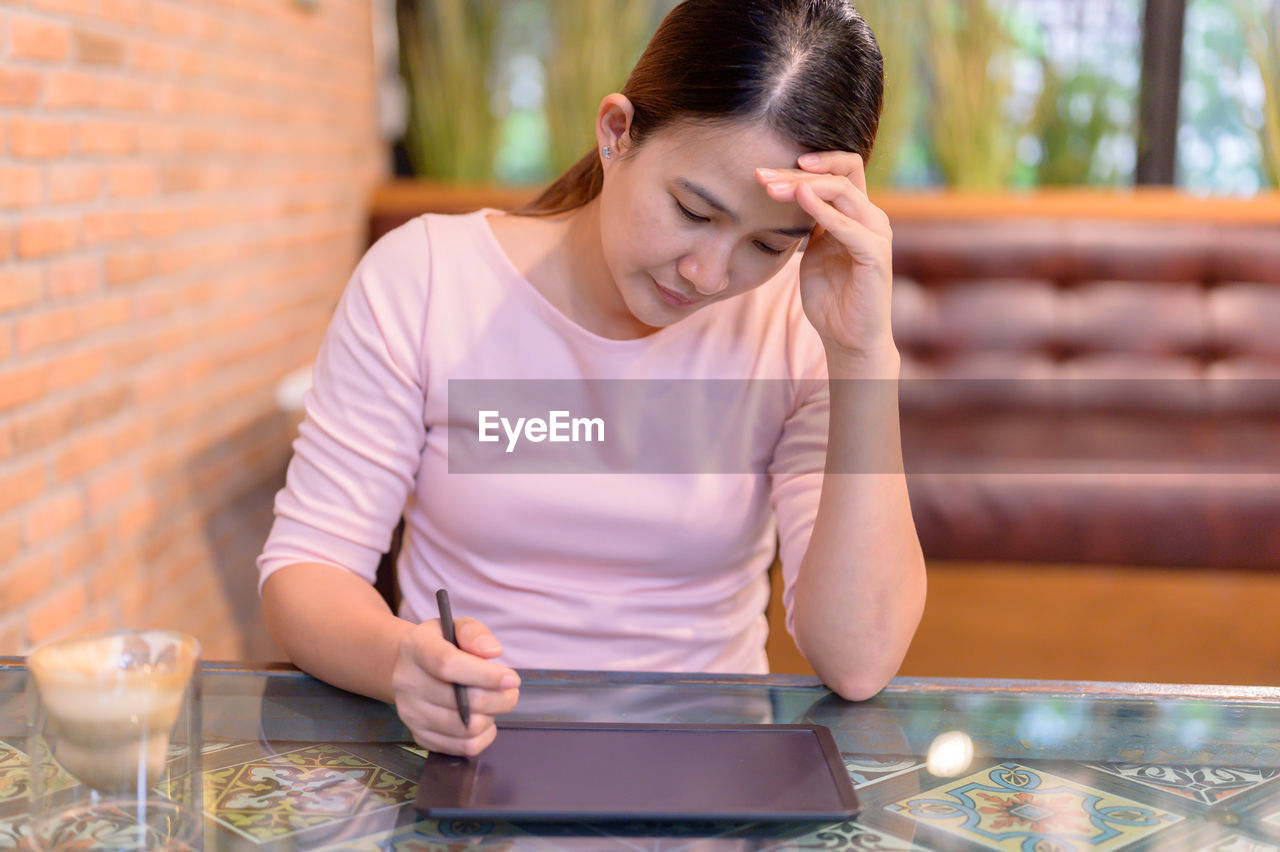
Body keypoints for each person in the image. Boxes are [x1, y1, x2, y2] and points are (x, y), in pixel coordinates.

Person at [257, 0, 926, 758]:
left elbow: (860, 659)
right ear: (617, 132)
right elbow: (308, 572)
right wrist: (399, 661)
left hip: (705, 782)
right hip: (472, 766)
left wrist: (865, 357)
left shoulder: (798, 328)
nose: (708, 275)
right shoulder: (427, 279)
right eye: (692, 211)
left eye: (769, 245)